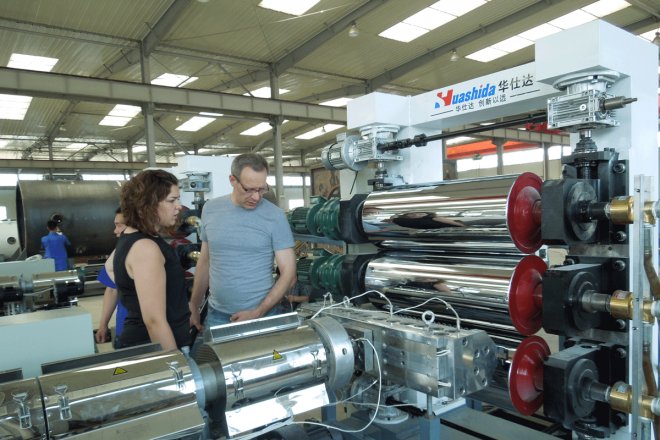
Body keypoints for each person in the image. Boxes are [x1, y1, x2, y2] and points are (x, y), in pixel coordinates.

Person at [189, 153, 296, 331]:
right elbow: (205, 261)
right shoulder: (210, 209)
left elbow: (289, 273)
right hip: (217, 316)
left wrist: (258, 312)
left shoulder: (275, 216)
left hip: (263, 316)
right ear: (232, 180)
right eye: (249, 190)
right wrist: (194, 304)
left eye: (261, 189)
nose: (256, 197)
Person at [109, 169, 190, 351]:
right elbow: (154, 321)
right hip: (152, 348)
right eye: (172, 200)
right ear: (149, 204)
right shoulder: (145, 248)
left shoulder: (135, 238)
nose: (179, 206)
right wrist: (176, 364)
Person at [95, 208, 128, 348]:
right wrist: (103, 324)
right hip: (125, 326)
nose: (115, 231)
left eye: (119, 225)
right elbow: (112, 290)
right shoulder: (117, 254)